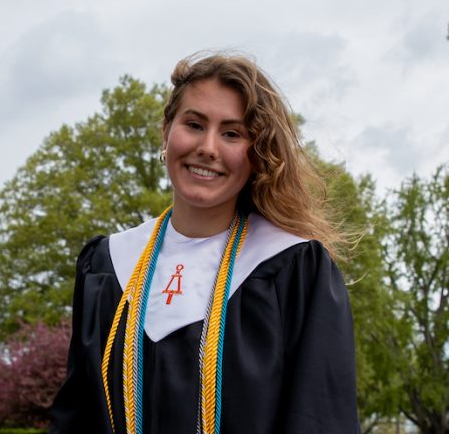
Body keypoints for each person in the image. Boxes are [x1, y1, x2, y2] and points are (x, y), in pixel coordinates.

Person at [50, 53, 360, 434]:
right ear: (166, 132)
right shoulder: (107, 265)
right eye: (194, 124)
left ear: (256, 154)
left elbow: (319, 420)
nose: (208, 147)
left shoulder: (293, 269)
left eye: (232, 133)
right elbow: (76, 418)